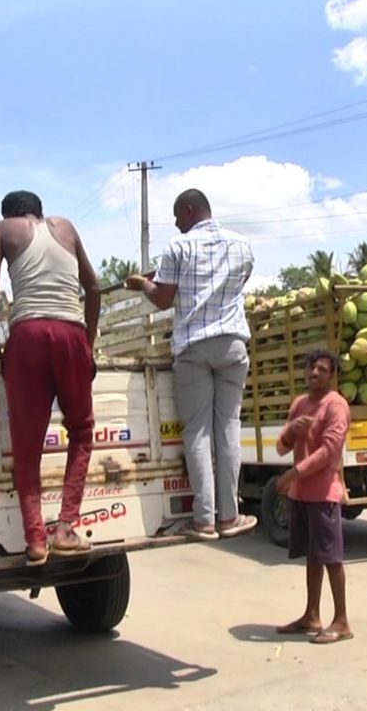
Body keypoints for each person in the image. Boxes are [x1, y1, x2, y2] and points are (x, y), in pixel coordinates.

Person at [124, 188, 257, 540]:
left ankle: (204, 520)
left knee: (198, 432)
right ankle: (230, 516)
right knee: (228, 428)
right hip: (232, 346)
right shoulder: (242, 244)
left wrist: (142, 285)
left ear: (189, 209)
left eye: (177, 215)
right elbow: (234, 284)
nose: (175, 223)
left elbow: (164, 300)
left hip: (194, 348)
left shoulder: (178, 247)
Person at [0, 190, 101, 566]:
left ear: (10, 214)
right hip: (71, 333)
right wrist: (89, 343)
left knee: (27, 446)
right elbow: (94, 289)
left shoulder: (3, 229)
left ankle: (36, 541)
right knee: (81, 432)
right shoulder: (66, 226)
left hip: (28, 335)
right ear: (39, 212)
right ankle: (66, 527)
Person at [273, 349, 353, 644]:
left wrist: (294, 474)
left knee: (331, 557)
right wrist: (291, 432)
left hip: (323, 493)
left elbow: (329, 451)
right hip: (301, 496)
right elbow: (281, 447)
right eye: (310, 368)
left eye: (321, 369)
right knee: (312, 555)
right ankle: (311, 614)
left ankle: (342, 621)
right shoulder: (300, 404)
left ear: (332, 375)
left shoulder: (336, 405)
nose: (314, 373)